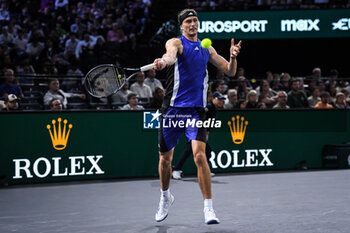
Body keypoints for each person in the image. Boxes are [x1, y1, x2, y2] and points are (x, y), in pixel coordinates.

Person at [153, 8, 241, 224]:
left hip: (196, 111)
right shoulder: (176, 43)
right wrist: (163, 61)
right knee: (165, 160)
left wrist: (232, 56)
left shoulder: (207, 49)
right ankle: (165, 197)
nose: (192, 24)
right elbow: (170, 56)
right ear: (181, 26)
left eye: (195, 21)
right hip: (172, 109)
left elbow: (230, 71)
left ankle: (208, 208)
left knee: (200, 156)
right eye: (188, 22)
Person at [172, 91, 226, 180]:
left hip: (200, 132)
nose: (221, 101)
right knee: (188, 150)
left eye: (222, 100)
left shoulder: (214, 109)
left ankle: (204, 170)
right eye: (219, 99)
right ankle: (176, 170)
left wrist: (206, 134)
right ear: (213, 99)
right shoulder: (207, 108)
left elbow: (208, 124)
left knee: (208, 151)